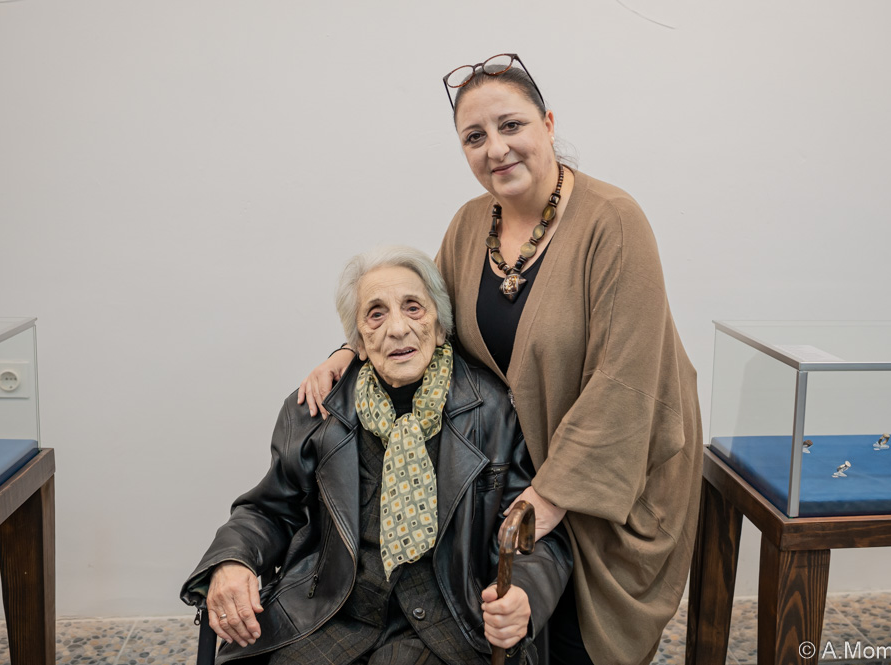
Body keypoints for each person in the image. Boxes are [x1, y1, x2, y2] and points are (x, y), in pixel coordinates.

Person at [298, 54, 703, 665]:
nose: (496, 148)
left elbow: (626, 381)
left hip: (612, 482)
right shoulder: (470, 224)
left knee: (575, 649)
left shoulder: (614, 221)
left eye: (511, 125)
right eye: (475, 136)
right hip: (516, 474)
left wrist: (551, 496)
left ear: (548, 123)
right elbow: (428, 318)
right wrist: (346, 352)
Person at [181, 246, 572, 665]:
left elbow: (535, 534)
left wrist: (525, 595)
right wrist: (232, 560)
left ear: (440, 327)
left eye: (413, 308)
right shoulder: (317, 410)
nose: (398, 329)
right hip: (330, 613)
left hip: (450, 621)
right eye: (376, 314)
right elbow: (269, 510)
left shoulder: (494, 411)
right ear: (359, 343)